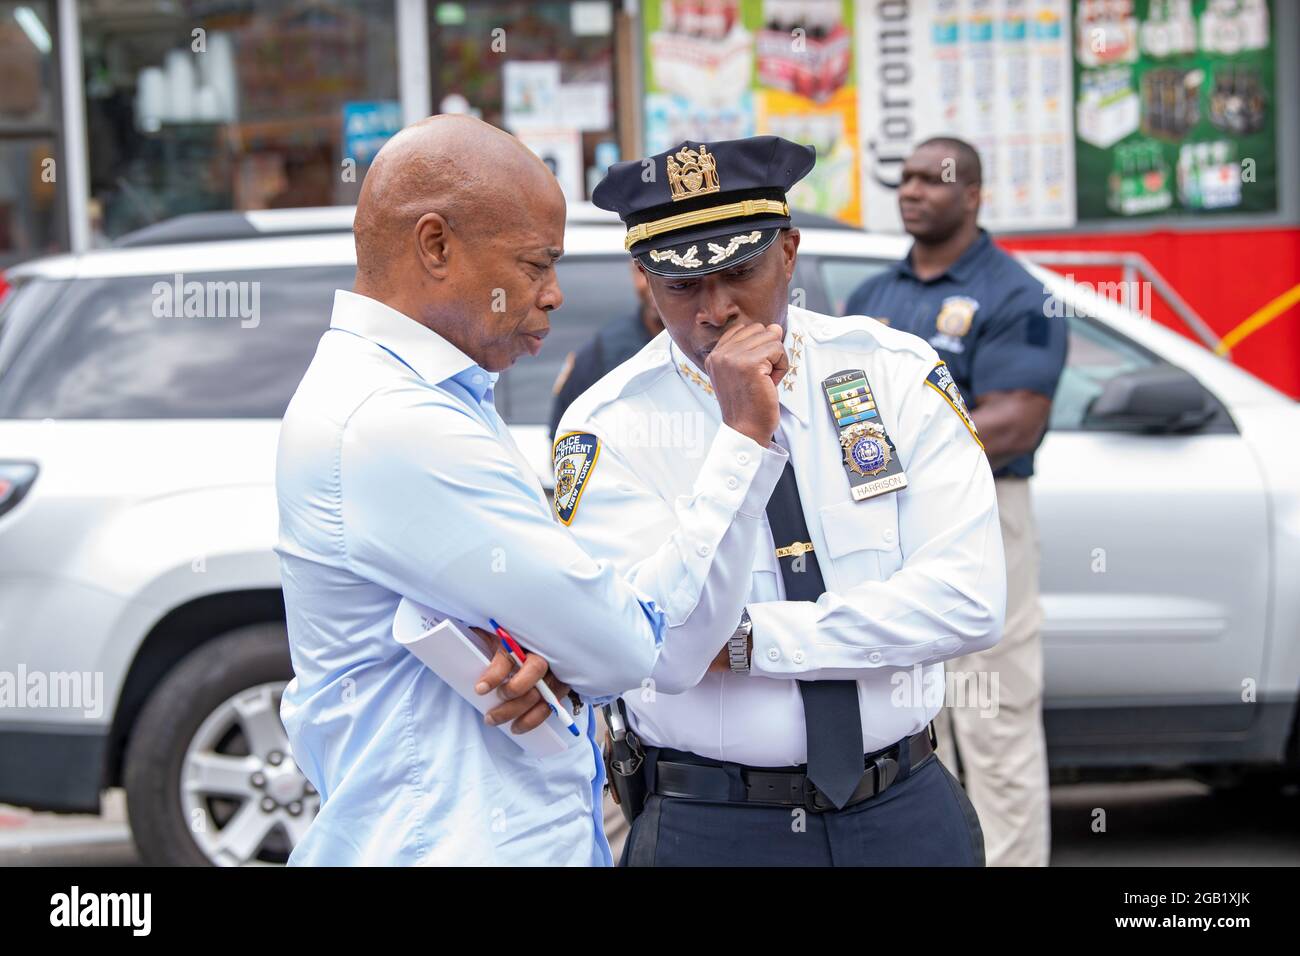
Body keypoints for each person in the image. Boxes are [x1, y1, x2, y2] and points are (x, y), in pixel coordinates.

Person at [274, 115, 787, 865]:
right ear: (436, 244)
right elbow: (624, 647)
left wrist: (554, 651)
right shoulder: (394, 421)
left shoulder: (416, 396)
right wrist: (741, 439)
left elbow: (565, 634)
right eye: (536, 264)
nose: (552, 295)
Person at [555, 135, 1006, 866]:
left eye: (740, 272)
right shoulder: (609, 424)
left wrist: (750, 644)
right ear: (643, 278)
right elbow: (664, 649)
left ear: (789, 253)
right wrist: (741, 439)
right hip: (717, 823)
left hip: (902, 805)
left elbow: (970, 598)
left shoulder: (891, 372)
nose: (717, 310)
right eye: (681, 285)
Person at [843, 136, 1068, 867]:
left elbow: (1015, 420)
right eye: (903, 179)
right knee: (908, 720)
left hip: (980, 512)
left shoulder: (1017, 294)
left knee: (994, 719)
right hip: (881, 520)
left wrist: (889, 449)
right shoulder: (875, 296)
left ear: (972, 195)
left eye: (930, 180)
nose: (911, 191)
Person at [549, 260, 663, 439]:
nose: (656, 283)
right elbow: (564, 439)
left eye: (665, 269)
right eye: (643, 270)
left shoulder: (714, 346)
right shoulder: (602, 351)